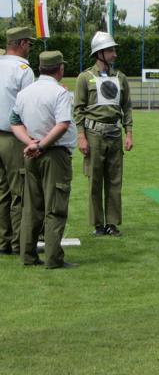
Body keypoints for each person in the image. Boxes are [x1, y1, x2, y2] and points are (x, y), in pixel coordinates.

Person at [10, 51, 77, 268]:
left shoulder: (25, 93)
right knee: (55, 208)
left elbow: (14, 121)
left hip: (31, 155)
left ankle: (28, 256)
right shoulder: (59, 93)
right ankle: (53, 258)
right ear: (60, 68)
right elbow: (63, 124)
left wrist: (30, 142)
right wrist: (41, 145)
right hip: (54, 154)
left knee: (31, 207)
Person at [74, 31, 133, 237]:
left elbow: (127, 107)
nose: (115, 54)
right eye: (110, 50)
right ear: (99, 53)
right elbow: (78, 110)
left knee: (115, 181)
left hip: (115, 134)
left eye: (114, 50)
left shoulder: (121, 78)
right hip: (93, 135)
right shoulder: (85, 78)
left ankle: (112, 223)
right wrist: (81, 136)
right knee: (95, 181)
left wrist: (129, 133)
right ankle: (98, 224)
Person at [0, 27, 35, 256]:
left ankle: (3, 241)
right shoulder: (23, 70)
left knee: (2, 192)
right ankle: (17, 242)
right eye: (29, 44)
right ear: (22, 43)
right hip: (14, 137)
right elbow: (29, 107)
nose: (30, 48)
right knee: (19, 192)